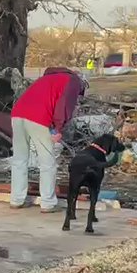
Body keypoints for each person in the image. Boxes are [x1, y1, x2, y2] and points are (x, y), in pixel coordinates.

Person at [9, 67, 87, 211]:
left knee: (19, 160)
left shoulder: (49, 78)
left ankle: (16, 200)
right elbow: (64, 105)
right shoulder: (73, 81)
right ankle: (48, 203)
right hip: (39, 118)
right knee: (47, 163)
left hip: (18, 114)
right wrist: (58, 128)